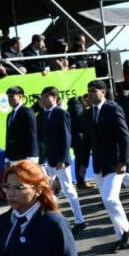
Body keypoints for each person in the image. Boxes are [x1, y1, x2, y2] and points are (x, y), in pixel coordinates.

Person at [80, 80, 129, 252]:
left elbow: (124, 136)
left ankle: (127, 229)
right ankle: (120, 235)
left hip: (115, 162)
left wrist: (123, 161)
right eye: (89, 91)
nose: (90, 94)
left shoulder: (113, 109)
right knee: (107, 200)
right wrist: (83, 164)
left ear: (103, 92)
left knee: (110, 198)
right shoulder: (87, 114)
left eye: (94, 91)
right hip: (98, 164)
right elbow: (86, 141)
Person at [37, 87, 87, 233]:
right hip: (48, 158)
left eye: (46, 96)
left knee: (67, 188)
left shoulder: (61, 113)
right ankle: (51, 218)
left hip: (60, 159)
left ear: (55, 98)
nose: (43, 99)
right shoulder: (43, 114)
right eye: (42, 96)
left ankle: (80, 220)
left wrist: (63, 158)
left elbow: (66, 136)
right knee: (47, 188)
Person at [5, 85, 39, 166]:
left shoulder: (27, 112)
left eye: (11, 96)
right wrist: (7, 158)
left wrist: (32, 158)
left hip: (25, 158)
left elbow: (32, 136)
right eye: (8, 97)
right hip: (13, 158)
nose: (9, 99)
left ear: (20, 97)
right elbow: (8, 137)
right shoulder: (10, 115)